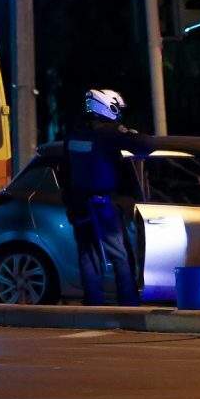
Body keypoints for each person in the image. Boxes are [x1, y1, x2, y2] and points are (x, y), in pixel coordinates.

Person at [64, 89, 154, 306]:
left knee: (88, 254)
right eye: (116, 109)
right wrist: (129, 133)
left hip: (78, 203)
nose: (118, 114)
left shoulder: (75, 134)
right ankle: (129, 302)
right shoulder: (108, 133)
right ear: (106, 107)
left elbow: (65, 170)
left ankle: (93, 304)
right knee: (119, 254)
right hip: (103, 204)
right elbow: (146, 145)